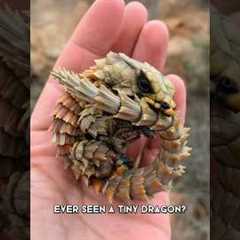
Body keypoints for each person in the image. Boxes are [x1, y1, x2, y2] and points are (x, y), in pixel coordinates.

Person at [31, 0, 186, 239]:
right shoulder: (97, 86)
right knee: (93, 127)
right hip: (87, 151)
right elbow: (89, 121)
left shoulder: (119, 97)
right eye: (144, 85)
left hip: (108, 147)